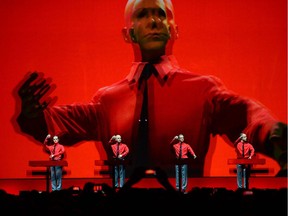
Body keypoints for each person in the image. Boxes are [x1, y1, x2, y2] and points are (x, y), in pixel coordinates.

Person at [15, 0, 287, 178]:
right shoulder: (107, 101)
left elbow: (250, 117)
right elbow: (55, 125)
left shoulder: (204, 91)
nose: (154, 21)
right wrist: (31, 115)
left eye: (161, 14)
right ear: (128, 33)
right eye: (142, 14)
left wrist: (279, 142)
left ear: (174, 30)